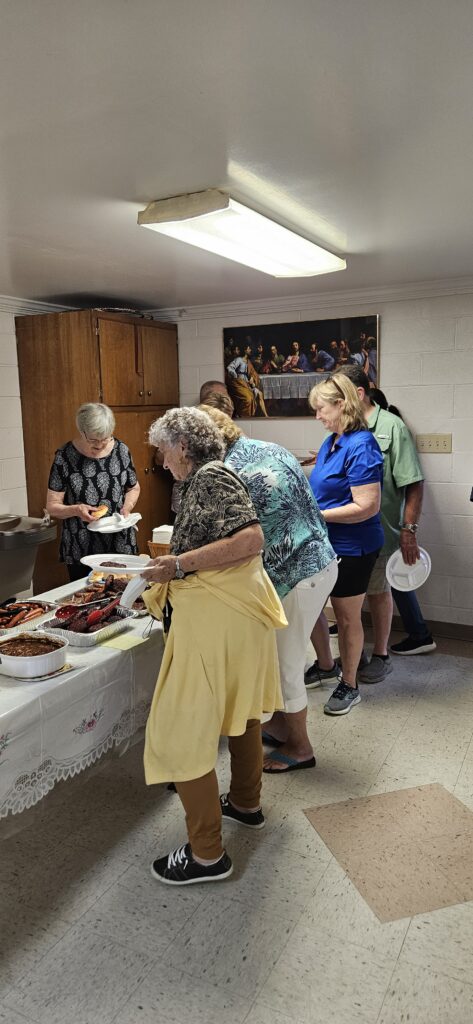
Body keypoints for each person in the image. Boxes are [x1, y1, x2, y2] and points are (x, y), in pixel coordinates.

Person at [140, 407, 286, 885]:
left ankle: (207, 855)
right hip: (235, 617)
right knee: (240, 710)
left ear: (182, 446)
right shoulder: (205, 478)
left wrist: (177, 565)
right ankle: (245, 802)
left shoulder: (210, 477)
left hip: (218, 620)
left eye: (163, 450)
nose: (161, 461)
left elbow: (251, 539)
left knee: (179, 730)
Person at [201, 405, 338, 772]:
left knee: (283, 664)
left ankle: (300, 747)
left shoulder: (227, 472)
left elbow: (238, 540)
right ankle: (279, 726)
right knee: (280, 654)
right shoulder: (270, 447)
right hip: (320, 560)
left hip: (295, 575)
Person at [339, 367, 435, 671]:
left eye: (338, 395)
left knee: (379, 593)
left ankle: (380, 655)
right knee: (348, 599)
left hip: (380, 531)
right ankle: (352, 653)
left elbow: (413, 483)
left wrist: (409, 530)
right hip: (344, 534)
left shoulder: (393, 427)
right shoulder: (341, 428)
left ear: (358, 394)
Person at [307, 375, 384, 715]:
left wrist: (317, 515)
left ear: (341, 405)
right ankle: (326, 665)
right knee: (312, 606)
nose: (317, 416)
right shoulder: (333, 441)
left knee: (347, 617)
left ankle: (350, 685)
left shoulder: (361, 444)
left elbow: (367, 505)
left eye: (321, 408)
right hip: (326, 542)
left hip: (354, 546)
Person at [46, 403, 140, 581]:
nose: (100, 445)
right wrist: (75, 509)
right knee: (87, 597)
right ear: (81, 431)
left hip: (119, 541)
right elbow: (52, 506)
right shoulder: (64, 457)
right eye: (93, 440)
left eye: (105, 438)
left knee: (123, 595)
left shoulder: (121, 451)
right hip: (81, 544)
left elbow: (133, 487)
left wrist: (127, 507)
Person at [226, 344, 268, 417]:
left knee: (260, 394)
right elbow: (230, 367)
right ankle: (246, 417)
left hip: (247, 384)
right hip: (239, 384)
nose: (250, 350)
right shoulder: (239, 359)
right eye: (249, 349)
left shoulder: (248, 361)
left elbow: (252, 372)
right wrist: (236, 376)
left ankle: (266, 416)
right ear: (245, 350)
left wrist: (252, 377)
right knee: (248, 399)